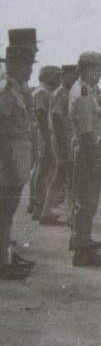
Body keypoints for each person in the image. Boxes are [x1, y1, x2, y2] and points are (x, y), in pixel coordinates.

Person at [68, 51, 101, 267]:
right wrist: (94, 161)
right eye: (98, 69)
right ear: (87, 69)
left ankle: (80, 240)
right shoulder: (84, 94)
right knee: (87, 202)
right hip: (89, 152)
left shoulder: (85, 89)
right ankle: (82, 252)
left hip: (89, 151)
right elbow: (86, 134)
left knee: (85, 201)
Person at [0, 40, 38, 279]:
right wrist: (9, 164)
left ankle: (6, 260)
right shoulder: (6, 90)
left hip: (15, 160)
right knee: (4, 215)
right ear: (14, 65)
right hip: (8, 162)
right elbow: (2, 130)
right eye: (27, 65)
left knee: (8, 215)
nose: (30, 70)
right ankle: (3, 265)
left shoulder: (15, 89)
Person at [40, 64, 79, 226]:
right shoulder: (60, 94)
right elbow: (56, 121)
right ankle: (70, 214)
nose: (76, 78)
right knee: (69, 177)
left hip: (66, 139)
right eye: (73, 75)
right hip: (62, 140)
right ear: (65, 76)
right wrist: (64, 146)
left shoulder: (69, 92)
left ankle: (47, 211)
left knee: (61, 176)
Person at [31, 66, 62, 223]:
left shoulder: (44, 91)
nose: (58, 80)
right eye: (56, 77)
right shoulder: (42, 92)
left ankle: (38, 205)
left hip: (44, 134)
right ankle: (38, 207)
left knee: (42, 170)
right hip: (44, 134)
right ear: (48, 77)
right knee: (42, 171)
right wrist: (46, 137)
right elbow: (42, 116)